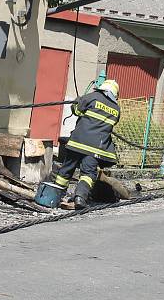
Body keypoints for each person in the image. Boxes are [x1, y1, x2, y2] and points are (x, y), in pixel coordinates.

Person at [51, 79, 120, 209]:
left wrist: (77, 102)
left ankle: (55, 196)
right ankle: (80, 198)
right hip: (95, 149)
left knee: (66, 169)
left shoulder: (92, 97)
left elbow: (77, 111)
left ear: (102, 88)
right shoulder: (116, 108)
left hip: (77, 143)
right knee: (88, 174)